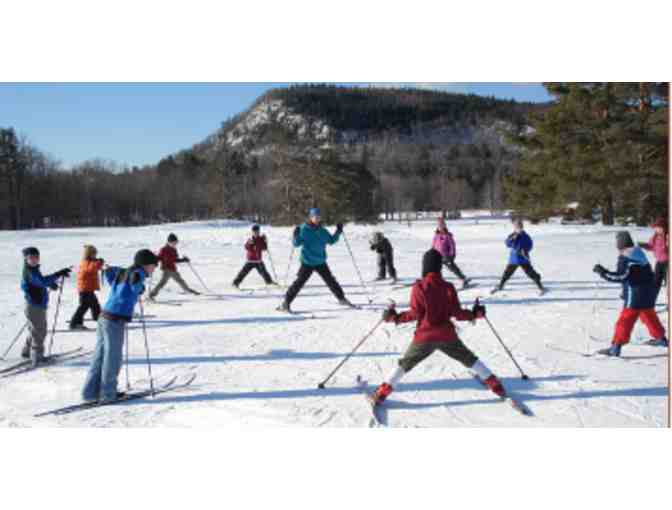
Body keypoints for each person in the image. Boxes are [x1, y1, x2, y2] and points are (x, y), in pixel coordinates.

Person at [369, 249, 507, 405]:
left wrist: (394, 317)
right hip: (446, 335)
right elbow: (457, 313)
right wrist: (474, 314)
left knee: (405, 363)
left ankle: (382, 393)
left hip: (424, 336)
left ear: (425, 266)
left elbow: (415, 313)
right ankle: (495, 385)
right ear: (439, 267)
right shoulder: (448, 287)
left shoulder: (419, 287)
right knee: (469, 358)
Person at [81, 249, 158, 403]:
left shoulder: (125, 271)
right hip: (114, 320)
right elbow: (136, 287)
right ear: (145, 264)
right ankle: (108, 394)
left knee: (100, 356)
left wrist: (107, 270)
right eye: (153, 265)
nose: (154, 269)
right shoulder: (138, 273)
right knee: (113, 358)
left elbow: (110, 274)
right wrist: (140, 287)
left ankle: (89, 393)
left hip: (104, 316)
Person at [593, 231, 668, 356]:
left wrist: (602, 272)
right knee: (649, 316)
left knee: (625, 321)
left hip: (635, 296)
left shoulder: (626, 257)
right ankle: (661, 339)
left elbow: (621, 276)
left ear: (620, 244)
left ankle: (615, 347)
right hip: (648, 292)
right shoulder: (639, 254)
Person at [277, 207, 354, 312]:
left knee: (331, 281)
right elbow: (296, 244)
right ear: (310, 217)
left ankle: (341, 298)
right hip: (307, 262)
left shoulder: (322, 231)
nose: (317, 219)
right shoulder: (304, 229)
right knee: (299, 283)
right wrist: (295, 235)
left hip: (320, 261)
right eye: (315, 217)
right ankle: (286, 303)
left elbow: (331, 240)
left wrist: (338, 231)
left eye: (318, 217)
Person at [20, 247, 72, 365]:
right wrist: (57, 274)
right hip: (34, 306)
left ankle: (27, 351)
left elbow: (39, 282)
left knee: (35, 329)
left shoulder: (32, 270)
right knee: (40, 331)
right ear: (26, 259)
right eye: (31, 258)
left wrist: (49, 284)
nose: (34, 260)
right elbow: (41, 281)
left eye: (36, 257)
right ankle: (37, 356)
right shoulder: (29, 272)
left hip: (36, 305)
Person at [491, 219, 546, 295]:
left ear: (522, 227)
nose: (518, 228)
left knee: (530, 272)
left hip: (523, 258)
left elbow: (530, 245)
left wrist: (525, 250)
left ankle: (540, 286)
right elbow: (507, 243)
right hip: (514, 259)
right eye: (516, 227)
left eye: (519, 227)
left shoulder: (526, 236)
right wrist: (512, 239)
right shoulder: (512, 235)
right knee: (507, 273)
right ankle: (501, 285)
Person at [148, 233, 200, 300]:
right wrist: (153, 259)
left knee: (180, 280)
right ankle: (151, 295)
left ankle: (188, 290)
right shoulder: (163, 249)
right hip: (166, 270)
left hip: (173, 269)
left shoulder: (174, 250)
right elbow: (159, 257)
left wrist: (184, 260)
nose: (175, 244)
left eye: (176, 242)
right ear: (169, 242)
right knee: (162, 283)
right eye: (174, 242)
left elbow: (175, 260)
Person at [69, 245, 105, 330]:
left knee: (94, 303)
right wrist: (99, 262)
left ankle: (98, 317)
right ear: (89, 254)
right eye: (94, 254)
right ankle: (74, 323)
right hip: (85, 288)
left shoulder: (90, 261)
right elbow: (91, 268)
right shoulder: (86, 262)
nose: (95, 255)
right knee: (84, 306)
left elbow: (94, 267)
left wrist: (99, 263)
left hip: (88, 288)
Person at [432, 217, 472, 289]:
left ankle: (463, 279)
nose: (440, 227)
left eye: (442, 225)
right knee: (435, 269)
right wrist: (432, 252)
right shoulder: (436, 235)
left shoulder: (448, 235)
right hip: (437, 256)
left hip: (446, 256)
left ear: (445, 226)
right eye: (439, 226)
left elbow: (452, 246)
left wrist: (452, 255)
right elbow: (433, 245)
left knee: (452, 268)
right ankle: (437, 282)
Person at [638, 217, 669, 303]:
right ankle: (650, 302)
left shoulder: (668, 236)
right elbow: (651, 246)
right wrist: (643, 245)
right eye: (655, 228)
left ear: (663, 227)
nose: (656, 229)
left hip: (668, 264)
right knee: (655, 283)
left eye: (658, 227)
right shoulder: (655, 237)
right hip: (659, 263)